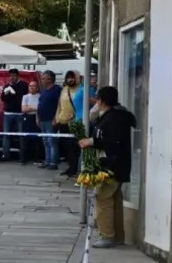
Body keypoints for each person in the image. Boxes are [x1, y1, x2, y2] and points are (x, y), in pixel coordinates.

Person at [78, 85, 137, 248]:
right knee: (115, 200)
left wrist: (91, 142)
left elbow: (110, 141)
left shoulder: (113, 118)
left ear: (101, 101)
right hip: (118, 164)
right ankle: (117, 235)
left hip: (111, 165)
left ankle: (107, 235)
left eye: (97, 100)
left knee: (103, 198)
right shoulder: (117, 115)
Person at [55, 70, 81, 177]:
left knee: (74, 146)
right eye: (68, 77)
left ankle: (75, 168)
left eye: (72, 77)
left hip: (74, 122)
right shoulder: (64, 89)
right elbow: (60, 105)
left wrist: (74, 116)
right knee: (66, 146)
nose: (70, 80)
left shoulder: (81, 89)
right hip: (62, 122)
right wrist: (56, 117)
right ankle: (70, 167)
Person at [0, 69, 28, 162]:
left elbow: (23, 97)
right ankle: (5, 155)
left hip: (20, 113)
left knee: (21, 135)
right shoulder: (7, 86)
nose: (12, 77)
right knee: (6, 134)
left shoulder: (23, 85)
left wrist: (14, 94)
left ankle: (22, 156)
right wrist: (6, 93)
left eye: (14, 75)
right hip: (8, 113)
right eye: (10, 76)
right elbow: (2, 98)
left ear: (17, 76)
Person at [37, 71, 62, 170]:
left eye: (45, 78)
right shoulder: (43, 91)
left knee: (52, 141)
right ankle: (47, 161)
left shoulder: (57, 90)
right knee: (45, 141)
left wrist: (56, 117)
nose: (43, 81)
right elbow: (39, 105)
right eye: (42, 78)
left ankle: (53, 162)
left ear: (50, 79)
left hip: (51, 119)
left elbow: (60, 105)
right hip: (42, 119)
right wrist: (37, 117)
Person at [20, 79, 41, 165]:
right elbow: (23, 109)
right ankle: (24, 158)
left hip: (37, 118)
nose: (32, 88)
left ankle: (36, 158)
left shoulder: (40, 96)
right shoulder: (25, 97)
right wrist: (34, 108)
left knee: (37, 139)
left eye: (34, 86)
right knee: (25, 139)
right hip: (27, 118)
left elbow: (40, 108)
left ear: (37, 88)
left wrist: (30, 107)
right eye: (30, 86)